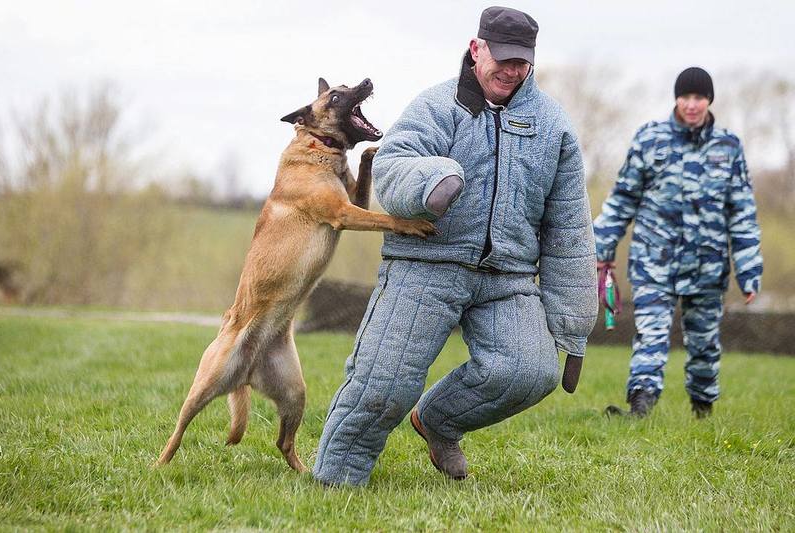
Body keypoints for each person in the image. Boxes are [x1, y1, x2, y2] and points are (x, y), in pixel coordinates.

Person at [312, 6, 597, 487]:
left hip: (507, 277)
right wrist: (431, 182)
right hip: (425, 262)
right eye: (502, 58)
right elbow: (393, 163)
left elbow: (568, 227)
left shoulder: (553, 125)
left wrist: (572, 328)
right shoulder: (436, 106)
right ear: (476, 49)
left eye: (521, 61)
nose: (511, 69)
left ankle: (439, 421)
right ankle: (336, 479)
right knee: (383, 385)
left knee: (531, 371)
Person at [595, 67, 763, 419]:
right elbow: (622, 199)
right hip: (653, 262)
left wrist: (749, 272)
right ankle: (640, 406)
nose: (691, 104)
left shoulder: (729, 147)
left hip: (707, 267)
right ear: (676, 98)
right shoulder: (649, 139)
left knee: (704, 346)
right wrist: (601, 248)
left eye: (699, 97)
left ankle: (703, 408)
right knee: (651, 336)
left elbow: (742, 213)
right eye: (685, 97)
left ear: (709, 100)